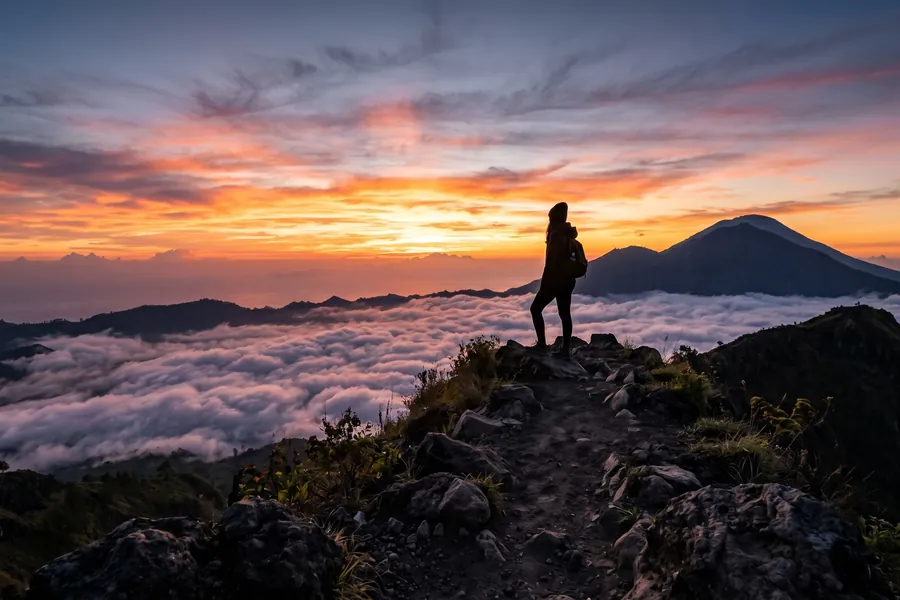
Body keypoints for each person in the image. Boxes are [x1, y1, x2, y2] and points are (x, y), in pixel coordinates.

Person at [530, 201, 579, 358]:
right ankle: (566, 350)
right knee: (565, 314)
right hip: (568, 281)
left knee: (535, 309)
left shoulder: (556, 235)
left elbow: (551, 264)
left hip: (555, 281)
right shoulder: (568, 233)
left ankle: (542, 346)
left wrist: (545, 286)